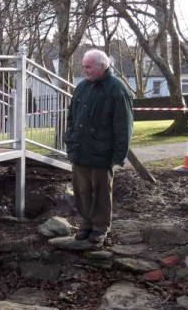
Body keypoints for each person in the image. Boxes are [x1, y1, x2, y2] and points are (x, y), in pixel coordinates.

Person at [64, 49, 133, 246]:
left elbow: (124, 126)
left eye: (88, 67)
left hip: (103, 153)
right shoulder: (82, 87)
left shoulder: (117, 89)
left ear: (102, 66)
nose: (84, 71)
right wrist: (70, 139)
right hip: (80, 151)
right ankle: (86, 224)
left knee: (102, 193)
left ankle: (100, 227)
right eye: (83, 67)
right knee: (82, 191)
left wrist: (119, 155)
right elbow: (72, 117)